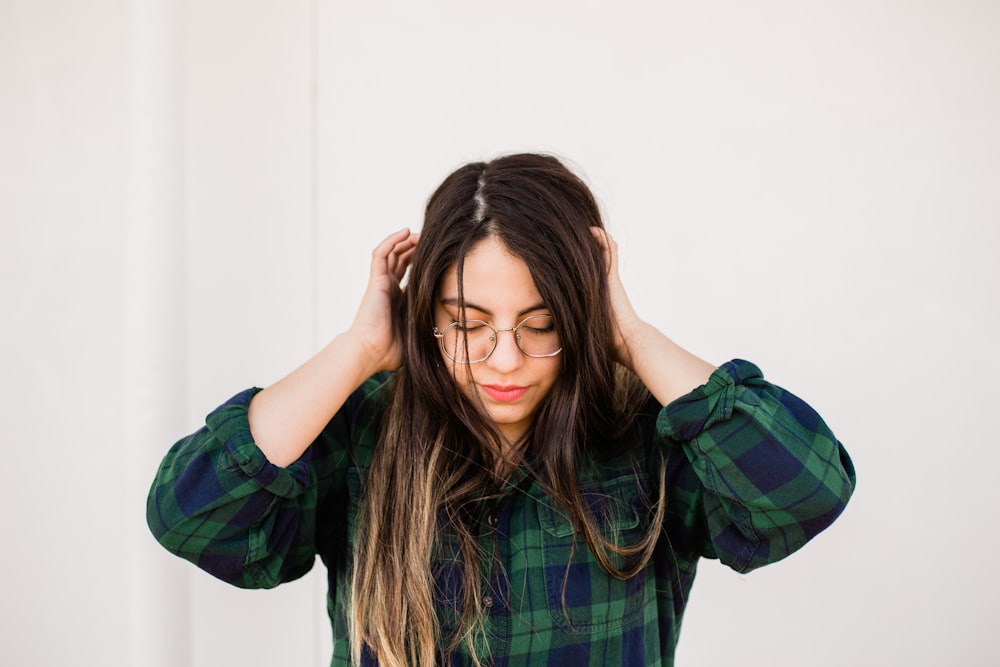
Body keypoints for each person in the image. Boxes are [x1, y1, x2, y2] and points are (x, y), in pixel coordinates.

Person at [147, 153, 855, 667]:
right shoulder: (364, 429)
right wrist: (359, 348)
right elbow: (191, 514)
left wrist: (632, 338)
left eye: (542, 324)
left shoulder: (651, 435)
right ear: (424, 315)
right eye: (467, 323)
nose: (505, 359)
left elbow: (806, 488)